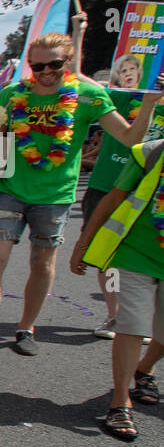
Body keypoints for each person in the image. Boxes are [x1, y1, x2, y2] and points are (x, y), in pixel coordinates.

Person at [0, 17, 162, 363]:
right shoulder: (16, 93)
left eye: (54, 64)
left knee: (41, 263)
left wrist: (149, 103)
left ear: (68, 62)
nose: (45, 71)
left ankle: (26, 328)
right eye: (37, 65)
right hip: (10, 188)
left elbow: (129, 138)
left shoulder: (89, 96)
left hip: (55, 196)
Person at [70, 139, 164, 441]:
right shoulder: (150, 152)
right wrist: (83, 243)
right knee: (133, 323)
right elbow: (113, 199)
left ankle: (144, 368)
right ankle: (120, 401)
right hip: (136, 252)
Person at [80, 84, 164, 338]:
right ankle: (115, 314)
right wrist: (78, 41)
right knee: (107, 259)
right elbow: (77, 76)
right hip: (106, 186)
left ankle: (144, 321)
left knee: (149, 262)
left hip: (152, 195)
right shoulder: (122, 94)